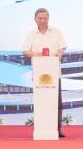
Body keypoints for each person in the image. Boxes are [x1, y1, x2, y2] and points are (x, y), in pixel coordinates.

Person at [22, 8, 67, 137]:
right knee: (41, 102)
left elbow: (62, 47)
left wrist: (60, 52)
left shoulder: (56, 32)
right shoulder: (31, 34)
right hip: (39, 74)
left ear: (48, 19)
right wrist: (34, 54)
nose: (42, 21)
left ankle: (57, 128)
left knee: (57, 102)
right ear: (35, 19)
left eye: (45, 18)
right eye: (40, 18)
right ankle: (41, 127)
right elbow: (25, 50)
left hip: (54, 73)